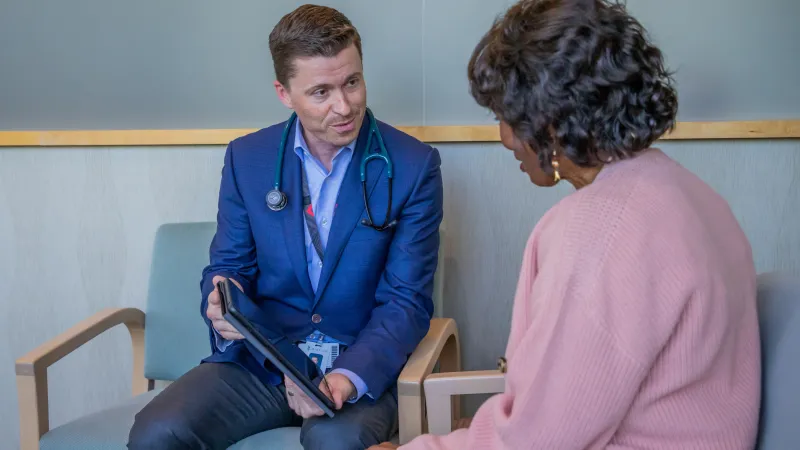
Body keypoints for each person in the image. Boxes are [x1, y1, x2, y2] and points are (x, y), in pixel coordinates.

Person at [371, 0, 761, 449]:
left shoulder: (599, 231)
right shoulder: (693, 195)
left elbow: (537, 440)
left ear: (550, 122)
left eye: (504, 116)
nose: (504, 138)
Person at [128, 4, 443, 450]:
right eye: (321, 92)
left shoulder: (413, 165)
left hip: (357, 364)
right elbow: (229, 266)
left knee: (335, 442)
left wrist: (346, 378)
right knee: (158, 432)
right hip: (266, 362)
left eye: (352, 82)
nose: (344, 106)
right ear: (284, 93)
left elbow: (406, 301)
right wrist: (220, 299)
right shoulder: (247, 159)